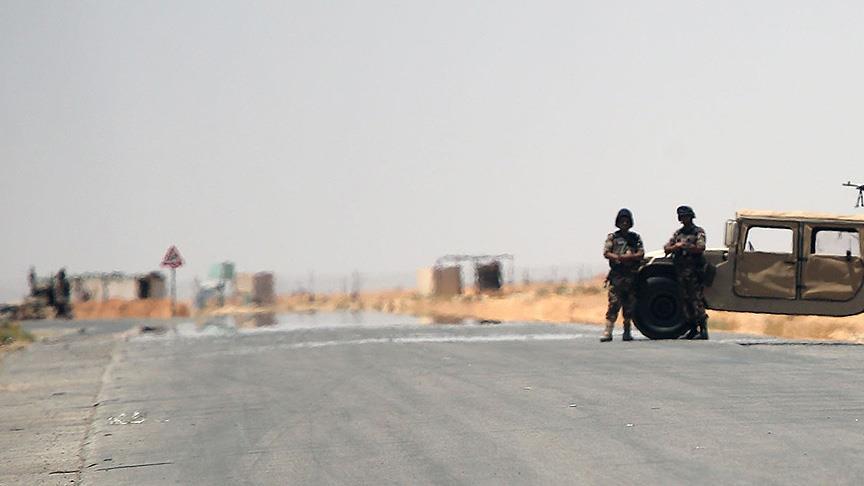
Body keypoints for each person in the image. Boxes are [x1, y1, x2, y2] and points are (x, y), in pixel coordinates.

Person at [663, 206, 708, 339]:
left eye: (686, 216)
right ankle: (692, 328)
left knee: (696, 299)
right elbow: (667, 248)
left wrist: (685, 246)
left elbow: (701, 247)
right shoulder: (678, 233)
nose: (684, 219)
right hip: (681, 271)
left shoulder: (698, 232)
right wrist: (675, 247)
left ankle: (703, 329)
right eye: (682, 217)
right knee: (685, 300)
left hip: (694, 272)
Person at [601, 208, 645, 342]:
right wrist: (619, 258)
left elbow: (641, 253)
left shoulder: (635, 238)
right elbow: (606, 252)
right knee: (613, 304)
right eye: (622, 221)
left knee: (629, 305)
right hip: (617, 276)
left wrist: (631, 257)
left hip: (631, 276)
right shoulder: (613, 237)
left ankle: (627, 331)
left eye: (626, 221)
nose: (624, 223)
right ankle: (608, 332)